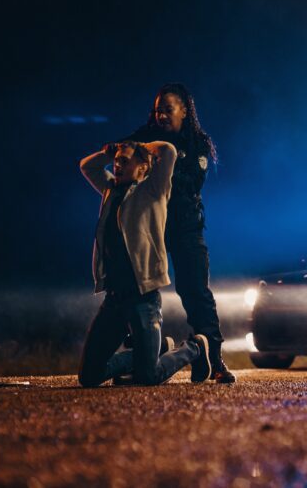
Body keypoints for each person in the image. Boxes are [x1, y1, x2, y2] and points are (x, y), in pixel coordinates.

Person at [120, 83, 235, 383]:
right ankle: (142, 354)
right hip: (150, 229)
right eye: (157, 110)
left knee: (196, 292)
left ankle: (212, 360)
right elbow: (122, 155)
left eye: (167, 110)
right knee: (139, 291)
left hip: (186, 227)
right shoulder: (144, 138)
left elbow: (190, 183)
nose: (161, 116)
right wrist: (116, 149)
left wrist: (162, 162)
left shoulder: (198, 143)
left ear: (184, 110)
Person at [77, 140, 212, 387]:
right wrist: (107, 152)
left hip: (143, 298)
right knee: (89, 377)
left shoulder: (153, 191)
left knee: (146, 378)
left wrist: (139, 145)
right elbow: (87, 166)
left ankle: (194, 348)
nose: (117, 165)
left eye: (125, 161)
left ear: (143, 168)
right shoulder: (110, 189)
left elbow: (169, 151)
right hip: (114, 300)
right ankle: (157, 348)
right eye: (116, 162)